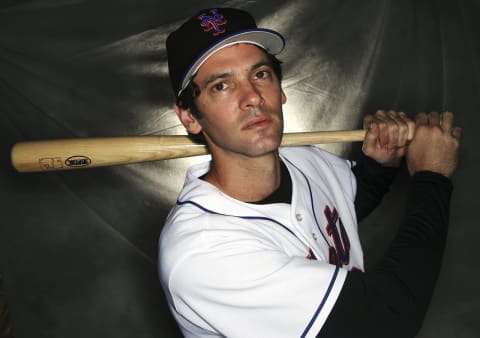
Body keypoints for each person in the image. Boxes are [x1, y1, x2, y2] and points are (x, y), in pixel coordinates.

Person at [158, 7, 461, 338]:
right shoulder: (203, 255)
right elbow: (385, 319)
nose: (253, 98)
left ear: (280, 88)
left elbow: (337, 212)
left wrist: (380, 165)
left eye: (259, 74)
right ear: (188, 116)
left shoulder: (301, 159)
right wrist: (432, 176)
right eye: (221, 86)